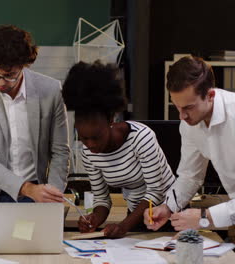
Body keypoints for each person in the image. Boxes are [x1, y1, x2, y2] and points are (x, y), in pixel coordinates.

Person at [0, 25, 70, 227]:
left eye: (9, 75)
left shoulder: (51, 90)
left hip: (39, 195)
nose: (0, 82)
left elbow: (60, 151)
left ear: (24, 65)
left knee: (37, 255)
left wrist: (51, 197)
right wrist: (27, 189)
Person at [144, 56, 235, 248]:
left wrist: (205, 217)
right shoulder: (190, 123)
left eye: (188, 107)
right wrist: (168, 207)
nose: (182, 116)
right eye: (177, 106)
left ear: (210, 95)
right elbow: (190, 176)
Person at [62, 61, 176, 238]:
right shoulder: (89, 154)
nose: (90, 145)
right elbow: (102, 199)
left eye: (96, 137)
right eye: (84, 138)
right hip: (136, 214)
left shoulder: (141, 138)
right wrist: (94, 219)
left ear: (111, 120)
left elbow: (156, 191)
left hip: (170, 212)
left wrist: (123, 227)